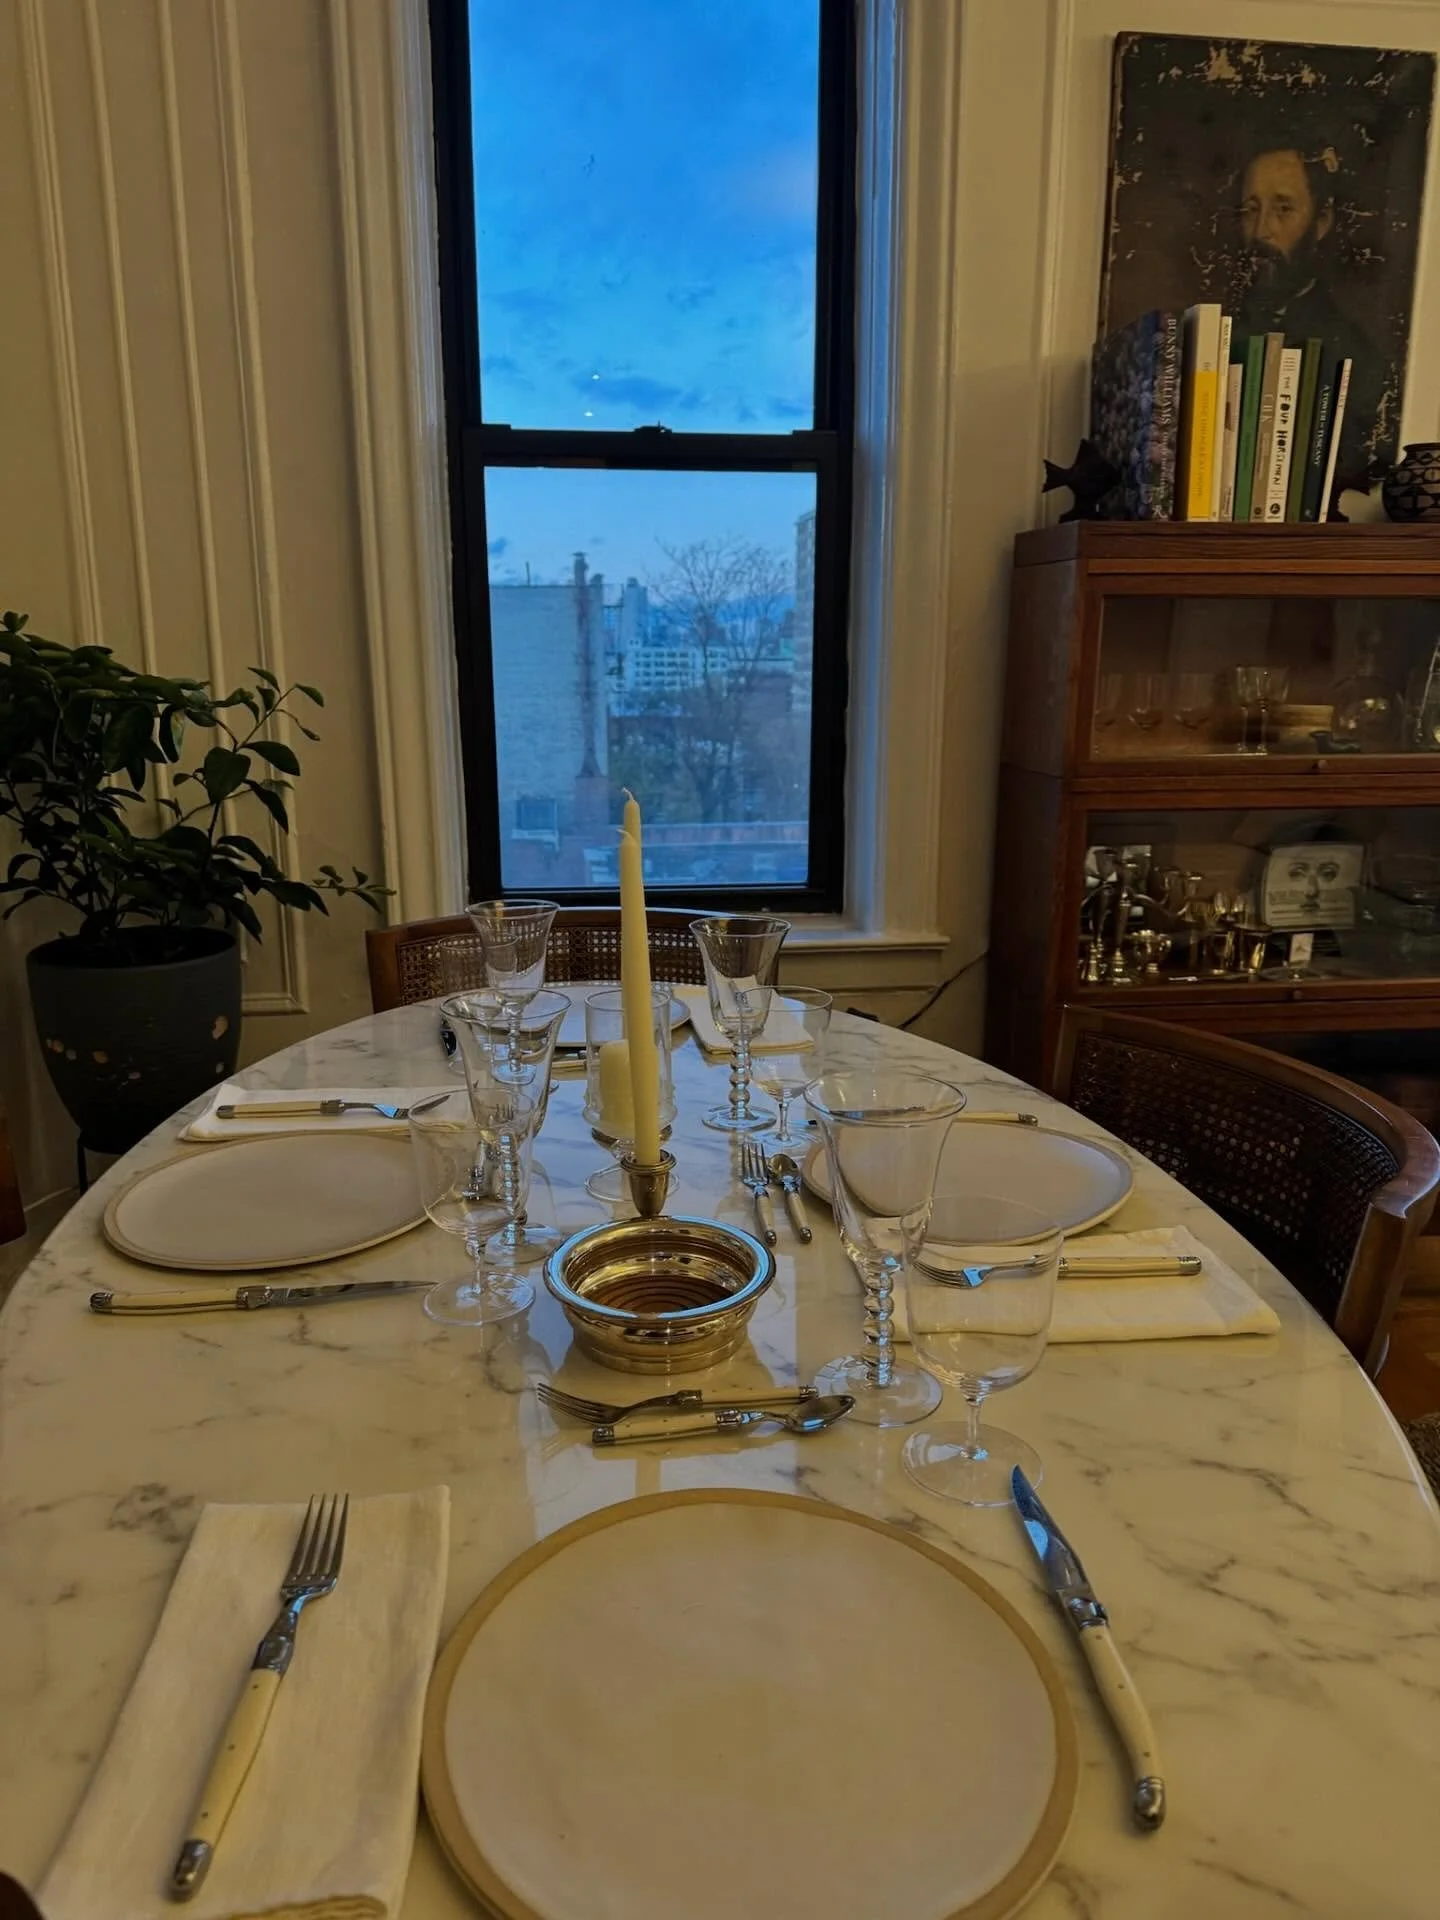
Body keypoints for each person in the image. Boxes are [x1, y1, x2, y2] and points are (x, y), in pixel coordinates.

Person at [1230, 138, 1386, 494]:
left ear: (1321, 221)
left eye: (1283, 209)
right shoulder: (1216, 337)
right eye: (1251, 210)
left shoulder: (1356, 354)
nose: (1261, 231)